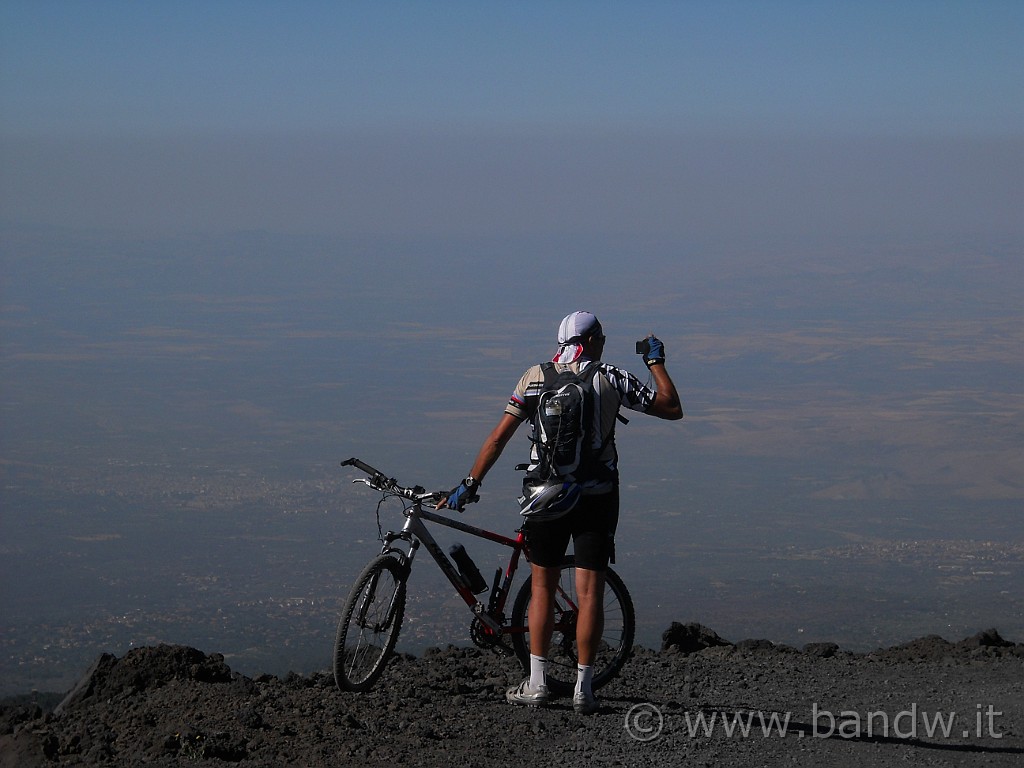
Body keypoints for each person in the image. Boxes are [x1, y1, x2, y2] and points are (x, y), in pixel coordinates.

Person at [439, 311, 682, 714]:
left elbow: (499, 438)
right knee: (589, 596)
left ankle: (537, 684)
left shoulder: (534, 377)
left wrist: (470, 484)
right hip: (596, 497)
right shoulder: (611, 377)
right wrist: (655, 362)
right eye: (602, 336)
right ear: (592, 341)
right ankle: (583, 690)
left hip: (543, 498)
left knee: (542, 590)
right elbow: (671, 407)